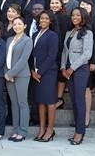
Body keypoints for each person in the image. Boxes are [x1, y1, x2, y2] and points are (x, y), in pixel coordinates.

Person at [60, 7, 93, 145]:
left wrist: (72, 68)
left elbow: (87, 54)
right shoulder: (69, 32)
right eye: (73, 15)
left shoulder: (88, 33)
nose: (74, 17)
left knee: (79, 101)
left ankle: (80, 133)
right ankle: (77, 131)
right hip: (68, 70)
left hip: (80, 69)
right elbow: (64, 51)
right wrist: (63, 67)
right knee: (73, 100)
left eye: (78, 15)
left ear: (83, 17)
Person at [29, 10, 59, 142]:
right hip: (36, 73)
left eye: (47, 18)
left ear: (51, 21)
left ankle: (50, 130)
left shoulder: (53, 35)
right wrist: (32, 71)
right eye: (41, 18)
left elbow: (51, 56)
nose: (44, 20)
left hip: (48, 73)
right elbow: (32, 55)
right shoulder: (35, 34)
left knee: (50, 101)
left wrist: (40, 72)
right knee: (40, 101)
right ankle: (41, 129)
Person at [5, 16, 33, 142]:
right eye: (14, 24)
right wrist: (7, 73)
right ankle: (15, 130)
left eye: (19, 24)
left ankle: (23, 131)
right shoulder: (10, 39)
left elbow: (23, 60)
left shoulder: (27, 40)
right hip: (9, 76)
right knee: (14, 104)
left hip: (21, 75)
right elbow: (6, 58)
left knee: (22, 103)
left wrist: (11, 73)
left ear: (25, 26)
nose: (16, 26)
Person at [79, 0, 95, 128]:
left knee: (87, 89)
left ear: (91, 7)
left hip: (89, 61)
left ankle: (87, 117)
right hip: (77, 62)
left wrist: (93, 61)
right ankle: (80, 116)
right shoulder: (78, 21)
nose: (84, 7)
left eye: (87, 5)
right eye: (82, 5)